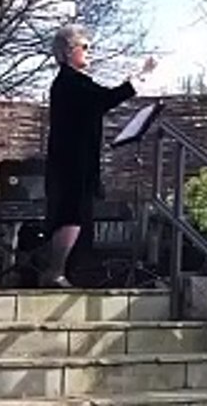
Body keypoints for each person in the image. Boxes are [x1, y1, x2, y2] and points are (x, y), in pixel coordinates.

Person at [43, 25, 155, 289]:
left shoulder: (75, 82)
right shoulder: (70, 82)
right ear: (69, 51)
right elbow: (106, 99)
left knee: (74, 216)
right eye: (84, 46)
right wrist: (142, 76)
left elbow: (100, 98)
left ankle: (63, 272)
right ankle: (55, 272)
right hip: (72, 163)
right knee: (71, 216)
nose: (89, 51)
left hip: (75, 161)